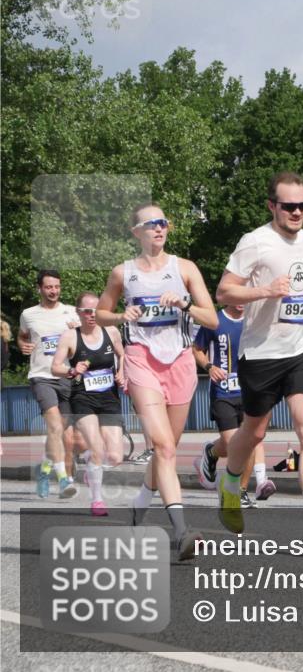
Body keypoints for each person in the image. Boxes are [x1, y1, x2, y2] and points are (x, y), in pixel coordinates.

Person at [214, 171, 303, 543]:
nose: (297, 212)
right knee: (255, 431)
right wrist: (265, 291)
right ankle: (230, 483)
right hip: (261, 352)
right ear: (272, 206)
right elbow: (224, 292)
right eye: (289, 206)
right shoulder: (254, 242)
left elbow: (299, 286)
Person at [97, 204, 217, 560]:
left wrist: (184, 305)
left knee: (168, 450)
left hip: (179, 362)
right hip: (141, 360)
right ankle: (182, 532)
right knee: (163, 447)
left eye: (163, 222)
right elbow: (100, 313)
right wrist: (121, 315)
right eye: (152, 224)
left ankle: (139, 504)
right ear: (136, 232)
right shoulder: (123, 273)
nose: (160, 228)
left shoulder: (185, 268)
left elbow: (211, 318)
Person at [50, 292, 127, 516]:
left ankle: (90, 466)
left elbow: (123, 355)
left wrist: (122, 372)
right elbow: (55, 367)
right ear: (78, 312)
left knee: (115, 457)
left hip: (109, 398)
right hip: (83, 397)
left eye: (95, 310)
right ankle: (97, 500)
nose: (91, 315)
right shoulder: (70, 337)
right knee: (96, 449)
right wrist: (72, 370)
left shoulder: (111, 331)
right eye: (86, 311)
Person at [193, 303, 276, 507]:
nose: (241, 300)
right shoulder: (214, 320)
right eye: (236, 294)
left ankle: (241, 491)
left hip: (249, 391)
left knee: (248, 442)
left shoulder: (255, 319)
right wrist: (209, 367)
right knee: (233, 444)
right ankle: (211, 452)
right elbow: (196, 349)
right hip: (222, 392)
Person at [18, 270, 80, 498]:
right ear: (39, 289)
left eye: (57, 287)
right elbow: (22, 335)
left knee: (65, 436)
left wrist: (78, 332)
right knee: (54, 427)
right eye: (48, 287)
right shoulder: (28, 314)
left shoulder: (71, 312)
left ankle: (44, 472)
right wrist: (22, 344)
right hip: (41, 376)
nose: (54, 291)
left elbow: (83, 343)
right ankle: (63, 479)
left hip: (66, 377)